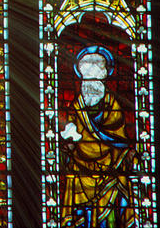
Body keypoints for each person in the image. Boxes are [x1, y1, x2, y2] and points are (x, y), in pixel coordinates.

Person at [59, 46, 135, 228]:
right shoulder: (76, 106)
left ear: (104, 74)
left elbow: (118, 134)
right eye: (87, 68)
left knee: (110, 215)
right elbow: (70, 134)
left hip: (111, 166)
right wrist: (68, 144)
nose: (91, 73)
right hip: (80, 166)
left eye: (96, 68)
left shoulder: (112, 105)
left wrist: (125, 153)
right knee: (81, 212)